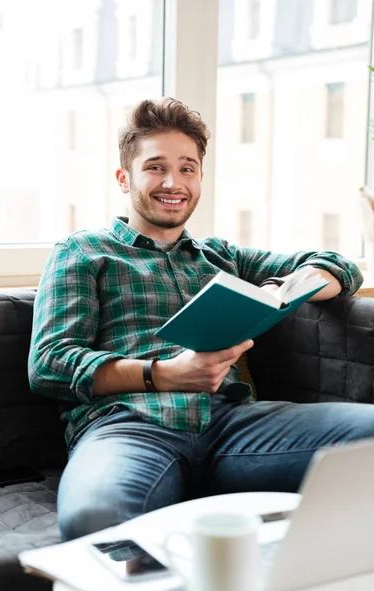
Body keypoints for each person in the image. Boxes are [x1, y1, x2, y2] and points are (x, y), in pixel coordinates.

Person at [29, 97, 374, 557]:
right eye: (155, 167)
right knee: (98, 522)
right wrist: (165, 373)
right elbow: (49, 364)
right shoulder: (82, 252)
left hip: (235, 427)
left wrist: (288, 287)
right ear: (124, 178)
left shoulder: (221, 257)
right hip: (129, 428)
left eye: (187, 169)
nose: (174, 182)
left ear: (200, 178)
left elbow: (337, 266)